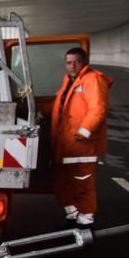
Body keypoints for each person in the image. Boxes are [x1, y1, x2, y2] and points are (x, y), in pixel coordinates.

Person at [51, 47, 112, 226]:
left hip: (82, 144)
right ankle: (72, 209)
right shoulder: (70, 80)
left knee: (82, 181)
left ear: (84, 61)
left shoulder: (92, 80)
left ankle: (87, 215)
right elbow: (62, 107)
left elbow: (98, 109)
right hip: (66, 143)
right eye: (69, 62)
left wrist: (83, 132)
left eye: (76, 62)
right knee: (61, 180)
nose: (72, 66)